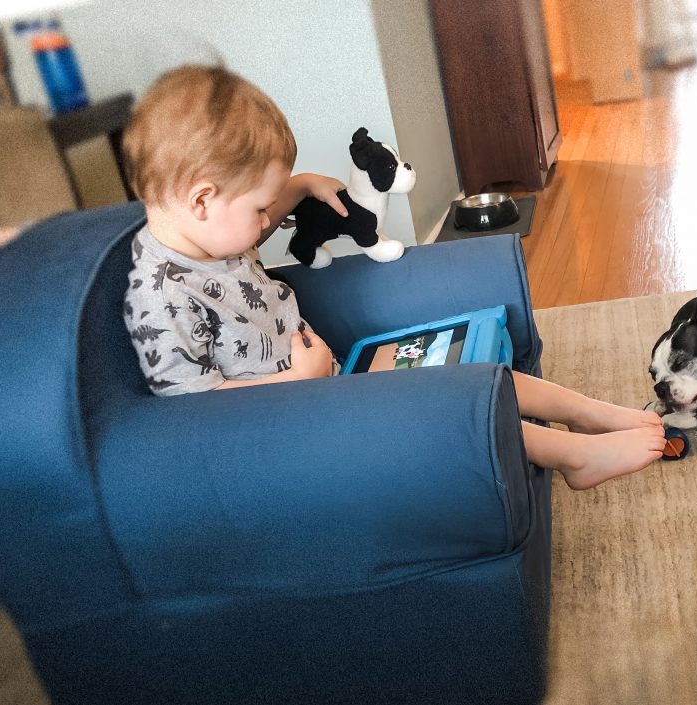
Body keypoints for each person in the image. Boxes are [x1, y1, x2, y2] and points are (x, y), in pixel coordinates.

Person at [121, 65, 665, 491]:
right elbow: (190, 417)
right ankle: (576, 459)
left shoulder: (207, 234)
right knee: (451, 404)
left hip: (329, 388)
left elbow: (241, 235)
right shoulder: (161, 299)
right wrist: (296, 383)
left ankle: (587, 414)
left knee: (476, 370)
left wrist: (303, 184)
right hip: (297, 427)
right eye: (261, 210)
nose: (268, 223)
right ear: (201, 200)